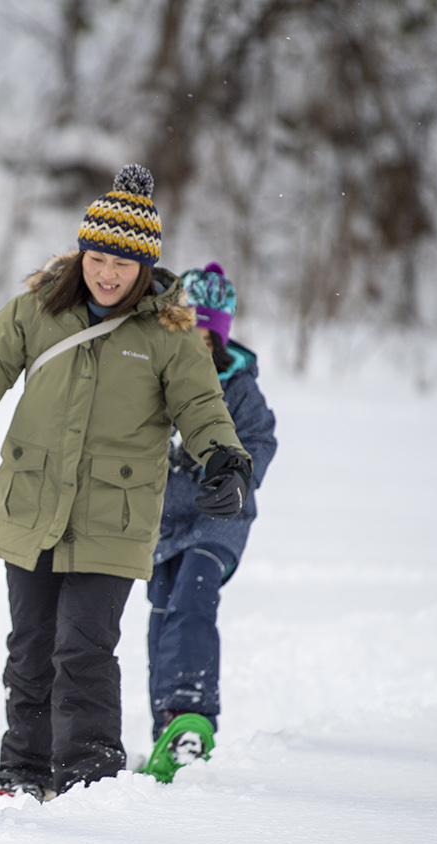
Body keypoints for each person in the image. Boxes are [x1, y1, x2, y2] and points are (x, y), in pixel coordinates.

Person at [0, 165, 251, 800]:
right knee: (29, 649)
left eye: (122, 265)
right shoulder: (39, 308)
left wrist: (225, 460)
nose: (107, 273)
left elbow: (203, 408)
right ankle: (23, 770)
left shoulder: (169, 333)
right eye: (97, 256)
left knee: (83, 650)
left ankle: (86, 778)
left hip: (113, 515)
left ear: (144, 269)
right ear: (81, 253)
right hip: (33, 503)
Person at [141, 262, 276, 782]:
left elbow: (260, 439)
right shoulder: (160, 375)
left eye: (207, 334)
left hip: (217, 520)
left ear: (220, 335)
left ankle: (193, 716)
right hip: (162, 523)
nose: (197, 342)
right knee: (161, 613)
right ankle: (166, 731)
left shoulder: (238, 387)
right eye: (188, 330)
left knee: (193, 601)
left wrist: (236, 474)